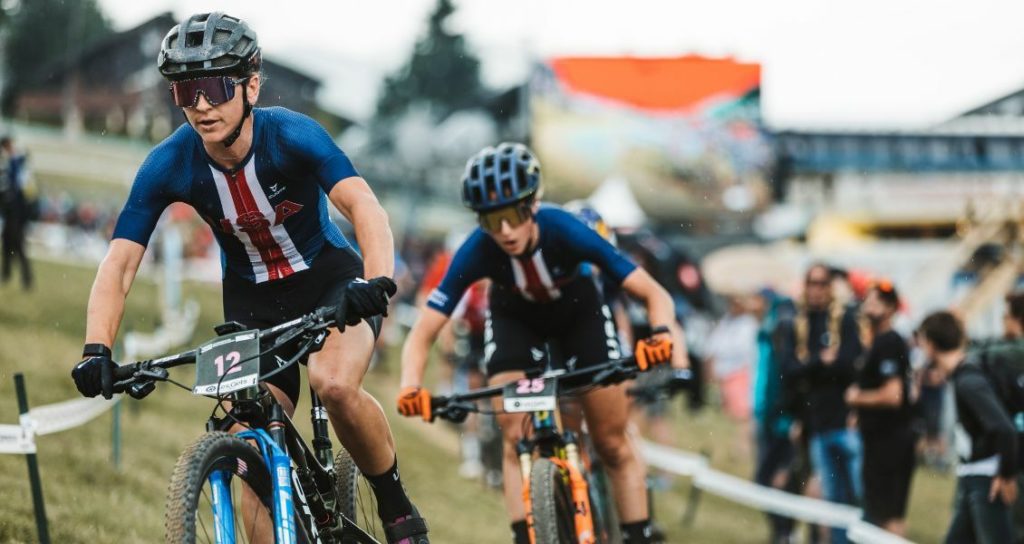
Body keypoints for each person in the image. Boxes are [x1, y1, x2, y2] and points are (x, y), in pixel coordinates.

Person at [68, 13, 428, 544]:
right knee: (250, 444)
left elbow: (365, 207)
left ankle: (397, 509)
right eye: (186, 91)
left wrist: (374, 281)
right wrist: (96, 347)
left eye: (214, 87)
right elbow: (120, 262)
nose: (202, 106)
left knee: (332, 385)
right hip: (252, 302)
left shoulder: (292, 135)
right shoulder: (168, 163)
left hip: (330, 280)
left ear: (250, 85)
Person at [397, 142, 687, 544]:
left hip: (578, 311)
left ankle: (637, 534)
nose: (504, 232)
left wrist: (661, 334)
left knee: (610, 440)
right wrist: (411, 383)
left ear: (532, 204)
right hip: (516, 319)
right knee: (515, 435)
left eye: (513, 215)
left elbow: (655, 295)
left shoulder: (564, 228)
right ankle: (524, 535)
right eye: (491, 220)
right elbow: (425, 329)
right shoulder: (477, 250)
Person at [776, 263, 864, 544]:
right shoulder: (796, 321)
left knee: (856, 492)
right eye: (811, 283)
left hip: (845, 421)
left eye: (822, 283)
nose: (816, 289)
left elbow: (850, 363)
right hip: (812, 423)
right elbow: (788, 370)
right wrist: (820, 362)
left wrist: (811, 367)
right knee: (826, 494)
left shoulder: (844, 319)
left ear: (830, 287)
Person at [918, 311, 1017, 544]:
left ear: (931, 345)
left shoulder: (968, 380)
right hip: (971, 476)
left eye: (922, 343)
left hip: (986, 480)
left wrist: (1006, 475)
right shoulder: (960, 376)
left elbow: (1004, 428)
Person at [845, 281, 916, 536]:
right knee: (878, 511)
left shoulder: (889, 341)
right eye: (868, 300)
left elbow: (893, 395)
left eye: (875, 302)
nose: (868, 306)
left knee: (889, 516)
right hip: (879, 441)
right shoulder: (878, 341)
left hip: (891, 442)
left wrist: (857, 398)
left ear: (890, 309)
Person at [705, 293, 758, 460]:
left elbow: (749, 353)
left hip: (741, 374)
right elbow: (712, 348)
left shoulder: (749, 324)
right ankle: (733, 451)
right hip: (725, 376)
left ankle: (742, 450)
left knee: (743, 416)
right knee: (731, 417)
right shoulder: (726, 321)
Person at [0, 135, 33, 290]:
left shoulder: (17, 163)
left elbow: (24, 188)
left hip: (18, 211)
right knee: (7, 242)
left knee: (18, 244)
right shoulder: (11, 163)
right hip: (11, 211)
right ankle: (6, 275)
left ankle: (27, 279)